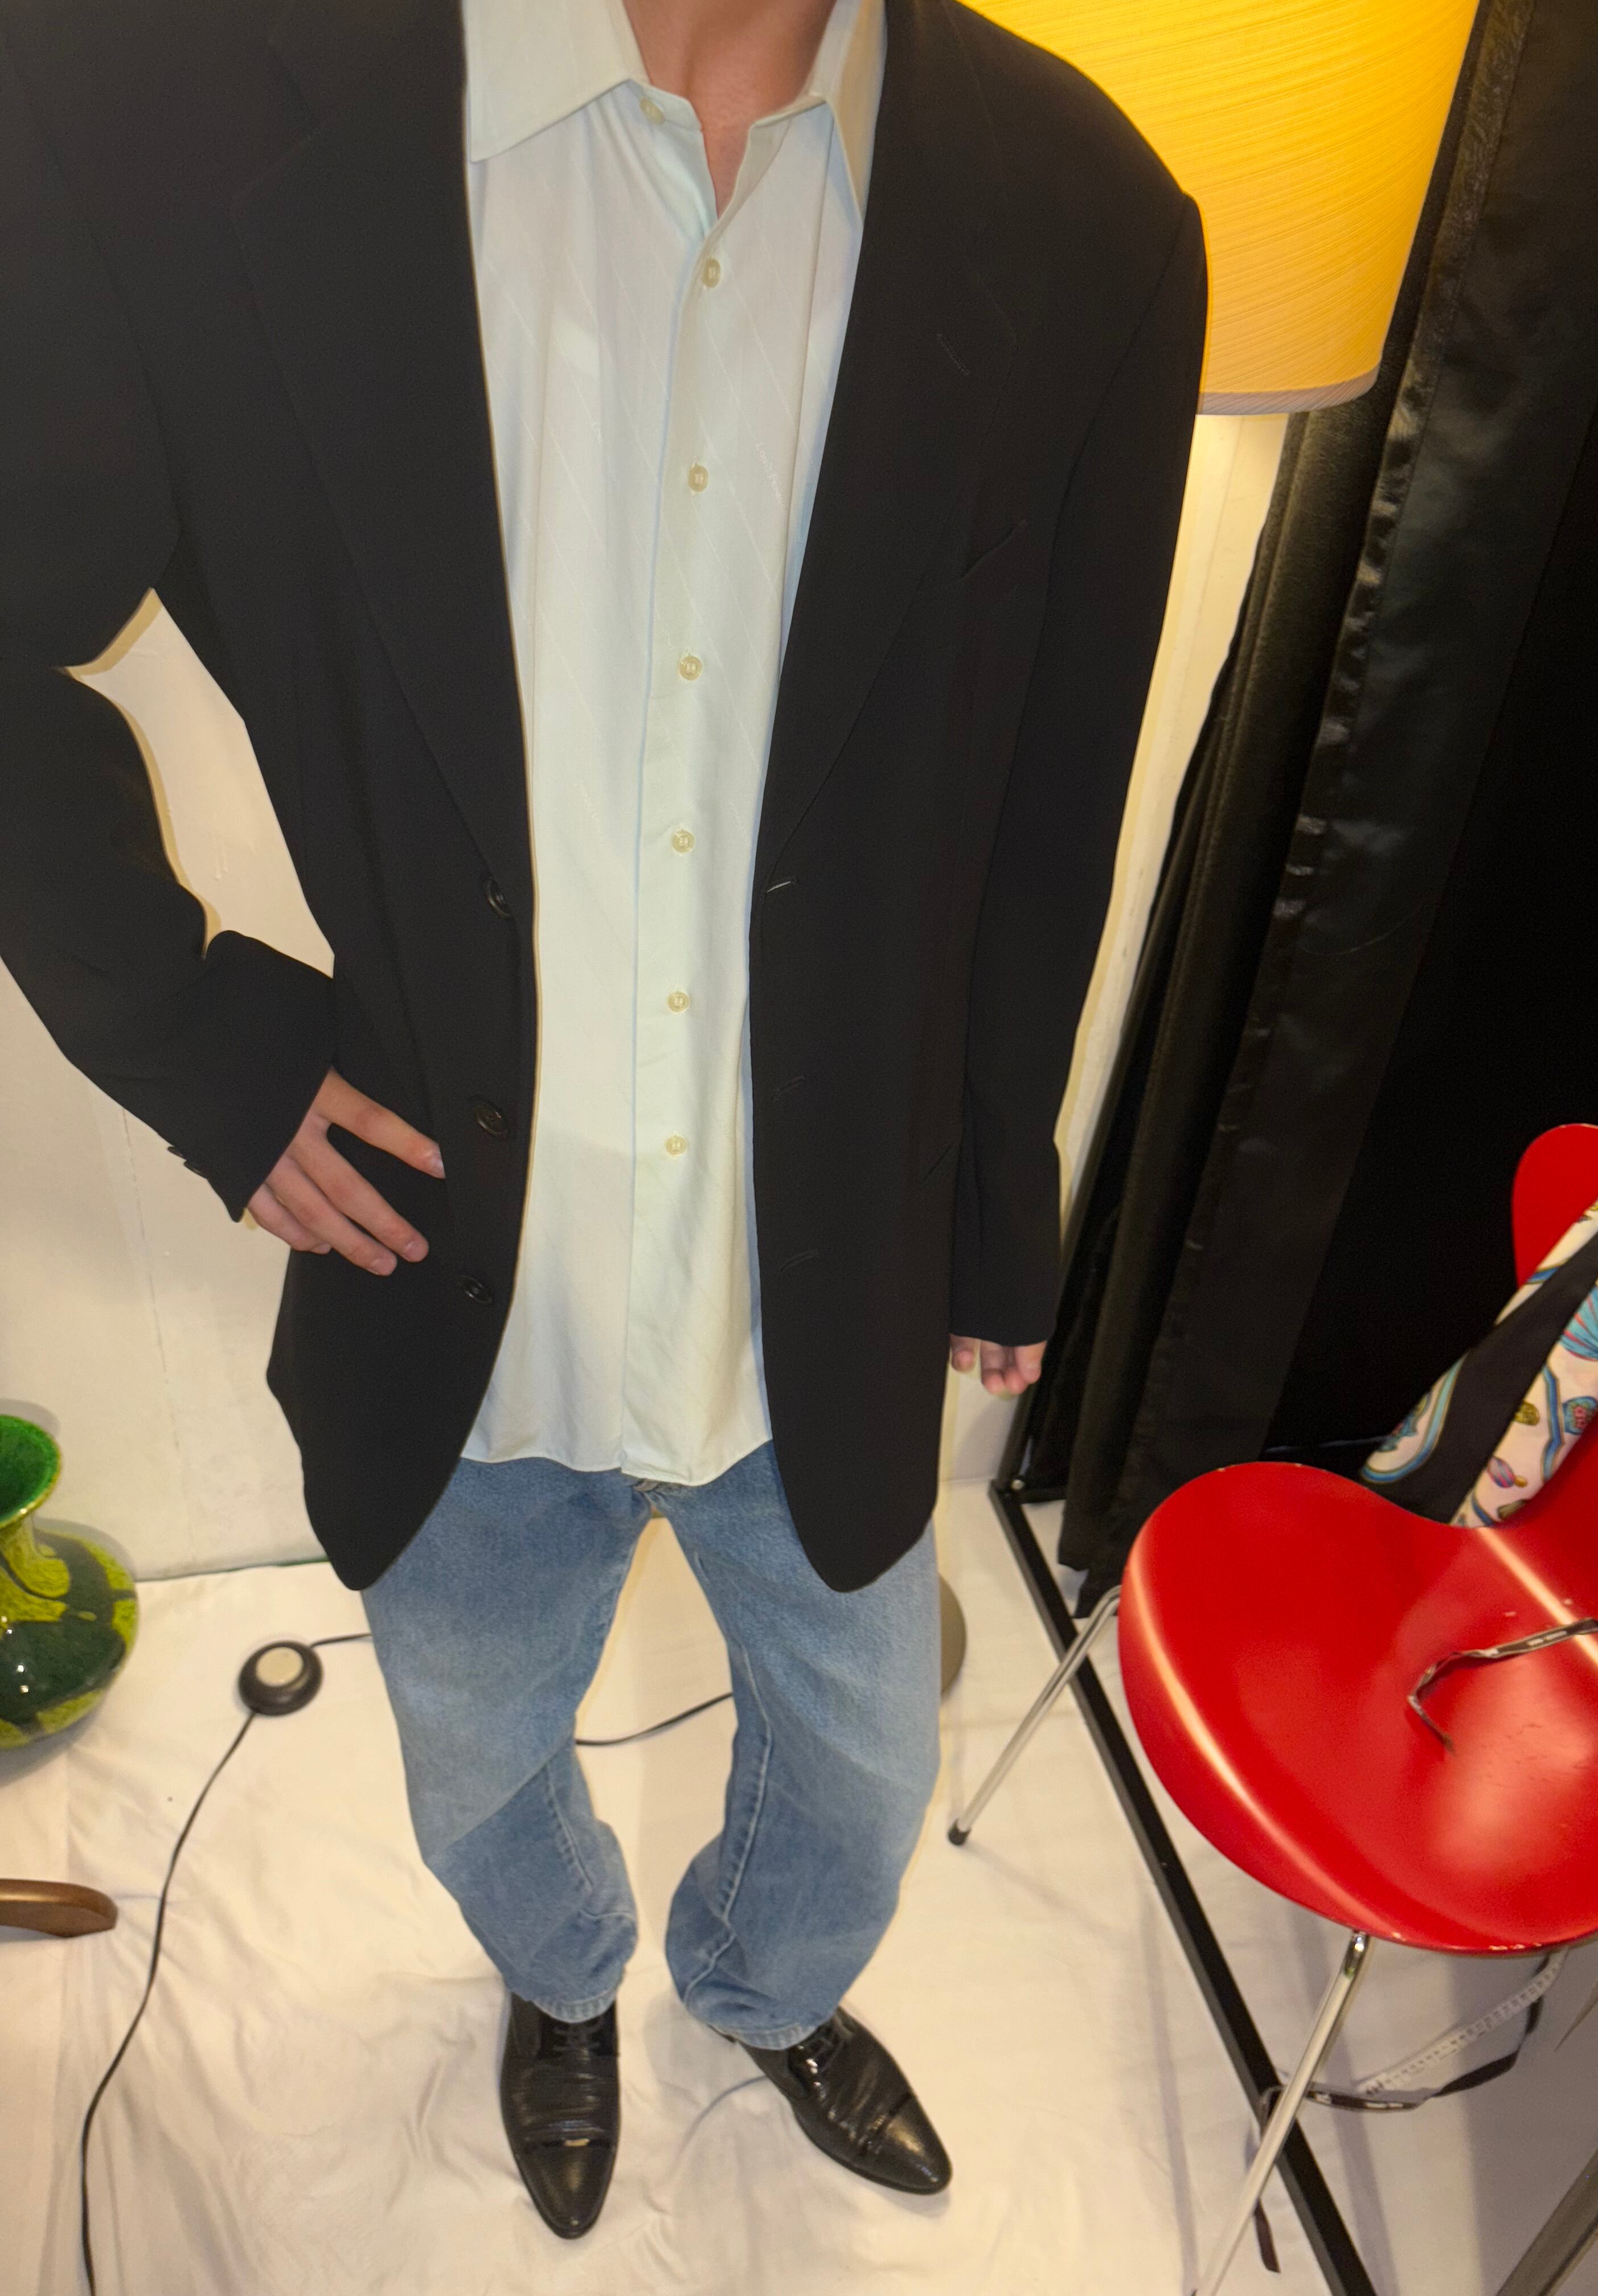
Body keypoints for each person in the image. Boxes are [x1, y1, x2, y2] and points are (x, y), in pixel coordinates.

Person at [0, 0, 1204, 2241]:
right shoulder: (162, 96)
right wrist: (193, 1039)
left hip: (819, 1288)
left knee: (864, 1776)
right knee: (475, 1752)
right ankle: (560, 1982)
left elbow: (1053, 793)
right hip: (456, 1277)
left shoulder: (1090, 221)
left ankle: (762, 1991)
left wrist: (1000, 1197)